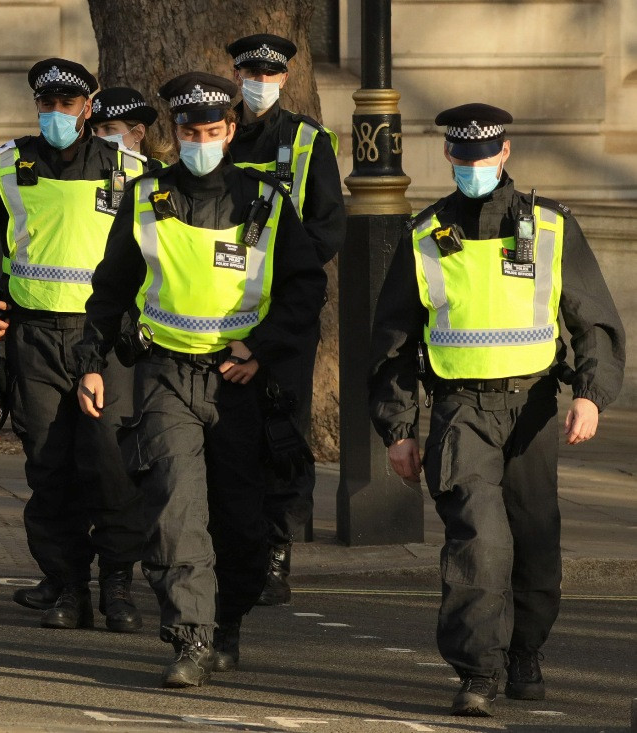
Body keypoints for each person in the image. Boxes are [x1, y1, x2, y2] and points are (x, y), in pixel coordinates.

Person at [368, 103, 625, 716]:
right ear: (449, 157)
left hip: (533, 408)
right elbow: (394, 340)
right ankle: (477, 672)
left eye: (486, 156)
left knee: (536, 540)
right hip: (461, 413)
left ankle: (524, 654)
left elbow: (593, 320)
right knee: (477, 543)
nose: (475, 166)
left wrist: (591, 394)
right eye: (464, 157)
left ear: (504, 153)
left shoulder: (554, 226)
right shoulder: (425, 235)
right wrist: (398, 428)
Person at [75, 72, 326, 687]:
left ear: (230, 130)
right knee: (174, 512)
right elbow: (110, 290)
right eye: (190, 132)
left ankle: (226, 623)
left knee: (242, 526)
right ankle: (190, 638)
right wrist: (90, 360)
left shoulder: (265, 200)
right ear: (175, 133)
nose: (201, 141)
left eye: (213, 131)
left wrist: (261, 349)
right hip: (167, 376)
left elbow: (305, 287)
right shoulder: (147, 198)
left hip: (239, 384)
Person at [0, 59, 147, 633]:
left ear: (90, 105)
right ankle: (68, 587)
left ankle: (118, 587)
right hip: (33, 337)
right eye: (46, 104)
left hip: (107, 343)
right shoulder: (7, 166)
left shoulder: (133, 170)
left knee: (112, 466)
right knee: (50, 468)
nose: (56, 114)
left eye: (68, 103)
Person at [225, 33, 346, 606]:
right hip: (223, 309)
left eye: (269, 74)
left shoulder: (306, 141)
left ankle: (277, 555)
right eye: (250, 72)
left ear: (283, 79)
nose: (259, 82)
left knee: (282, 434)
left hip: (284, 312)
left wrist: (284, 270)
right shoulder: (216, 133)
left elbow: (328, 224)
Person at [89, 86, 171, 165]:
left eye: (108, 128)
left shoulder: (162, 175)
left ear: (138, 133)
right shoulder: (86, 173)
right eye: (95, 130)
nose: (98, 137)